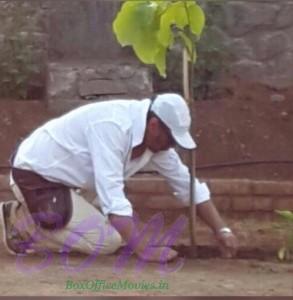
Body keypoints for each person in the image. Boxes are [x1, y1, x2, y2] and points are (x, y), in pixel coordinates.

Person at [0, 93, 238, 262]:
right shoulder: (113, 126)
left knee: (114, 225)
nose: (171, 146)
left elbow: (187, 184)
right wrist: (144, 250)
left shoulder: (155, 141)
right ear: (155, 125)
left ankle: (43, 218)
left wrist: (222, 230)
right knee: (107, 241)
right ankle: (21, 222)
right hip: (36, 176)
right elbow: (112, 194)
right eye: (171, 139)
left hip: (68, 180)